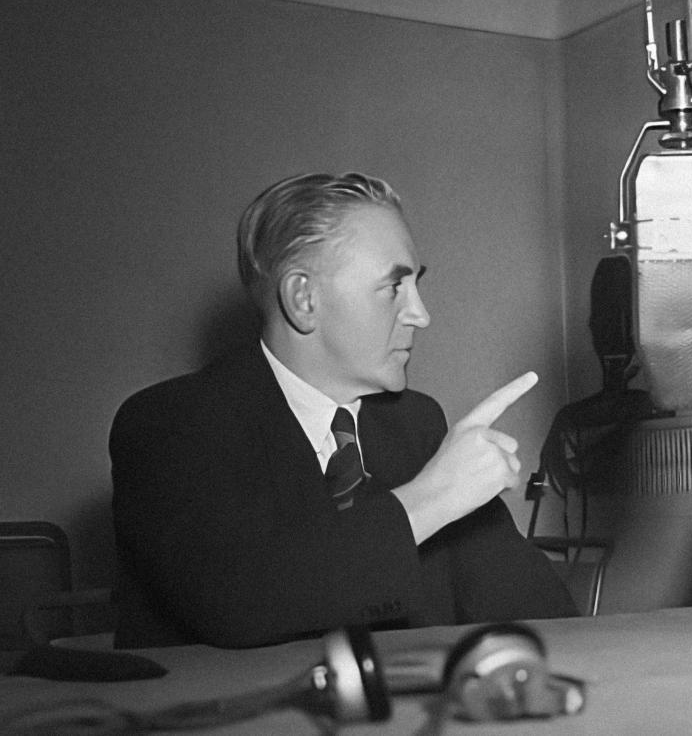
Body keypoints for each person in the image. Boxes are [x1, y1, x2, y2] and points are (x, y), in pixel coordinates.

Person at [111, 172, 577, 648]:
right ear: (303, 299)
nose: (421, 313)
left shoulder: (414, 424)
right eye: (394, 287)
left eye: (416, 284)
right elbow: (238, 601)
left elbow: (539, 613)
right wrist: (430, 498)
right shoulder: (171, 423)